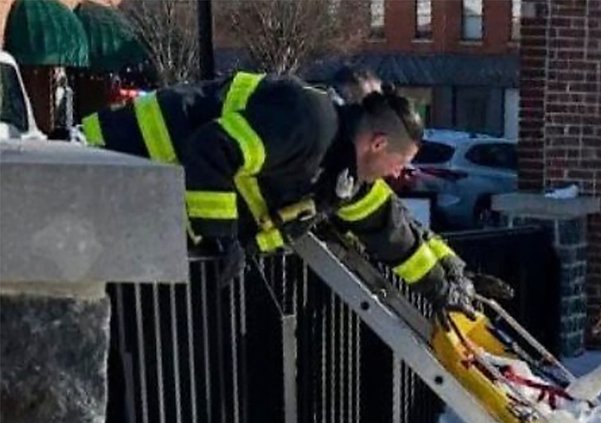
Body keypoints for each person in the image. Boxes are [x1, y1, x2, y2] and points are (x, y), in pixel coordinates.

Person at [80, 74, 470, 306]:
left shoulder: (342, 174)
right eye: (400, 164)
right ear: (379, 143)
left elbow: (389, 229)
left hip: (139, 206)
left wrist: (445, 280)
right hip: (110, 164)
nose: (397, 174)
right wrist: (221, 238)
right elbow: (213, 146)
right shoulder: (310, 123)